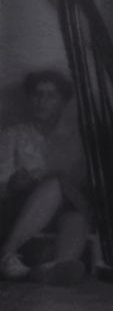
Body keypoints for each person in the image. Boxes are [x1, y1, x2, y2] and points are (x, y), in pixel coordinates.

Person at [0, 69, 91, 285]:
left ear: (62, 102)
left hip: (63, 208)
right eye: (37, 94)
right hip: (20, 208)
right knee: (55, 183)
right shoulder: (13, 134)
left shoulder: (75, 139)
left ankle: (57, 267)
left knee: (76, 217)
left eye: (50, 96)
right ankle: (6, 255)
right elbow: (1, 185)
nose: (41, 101)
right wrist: (14, 184)